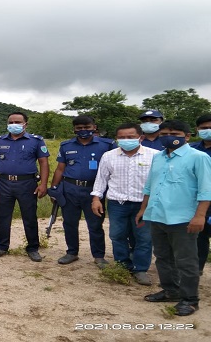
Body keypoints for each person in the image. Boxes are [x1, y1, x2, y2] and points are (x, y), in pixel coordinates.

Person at [138, 120, 211, 316]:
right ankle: (171, 290)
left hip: (184, 219)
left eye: (175, 133)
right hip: (157, 215)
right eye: (164, 134)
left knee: (186, 260)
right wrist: (143, 209)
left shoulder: (198, 157)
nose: (168, 137)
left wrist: (200, 216)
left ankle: (190, 299)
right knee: (162, 257)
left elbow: (206, 190)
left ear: (187, 136)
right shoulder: (158, 157)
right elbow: (149, 185)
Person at [90, 123, 159, 285]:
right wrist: (96, 199)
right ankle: (123, 265)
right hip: (117, 204)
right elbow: (101, 179)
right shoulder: (109, 156)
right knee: (117, 235)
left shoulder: (155, 156)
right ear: (117, 139)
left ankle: (140, 269)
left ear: (140, 138)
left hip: (143, 205)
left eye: (130, 137)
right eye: (121, 137)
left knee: (143, 237)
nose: (126, 140)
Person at [51, 115, 116, 269]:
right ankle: (72, 252)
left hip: (94, 190)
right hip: (70, 189)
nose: (83, 131)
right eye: (79, 128)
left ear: (94, 127)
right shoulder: (66, 145)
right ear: (74, 129)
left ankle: (99, 256)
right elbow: (60, 169)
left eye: (87, 127)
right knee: (69, 223)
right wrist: (54, 189)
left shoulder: (108, 145)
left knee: (95, 224)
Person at [0, 112, 49, 262]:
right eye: (11, 122)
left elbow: (43, 163)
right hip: (4, 183)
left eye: (18, 122)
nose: (14, 124)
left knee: (30, 217)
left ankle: (33, 248)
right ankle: (1, 247)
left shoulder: (36, 141)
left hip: (27, 184)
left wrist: (43, 184)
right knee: (2, 217)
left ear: (25, 124)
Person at [191, 114, 211, 275]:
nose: (208, 131)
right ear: (197, 129)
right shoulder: (191, 149)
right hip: (198, 200)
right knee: (199, 237)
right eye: (204, 128)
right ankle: (197, 269)